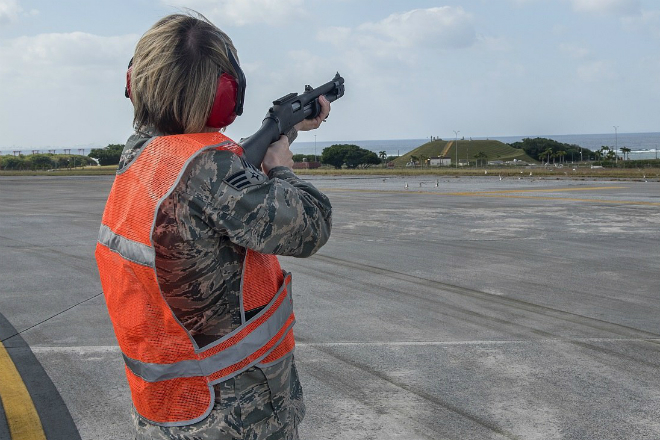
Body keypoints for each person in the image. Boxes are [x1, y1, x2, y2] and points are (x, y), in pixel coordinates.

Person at [94, 12, 332, 440]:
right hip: (235, 415)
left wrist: (283, 132)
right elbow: (311, 224)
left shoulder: (139, 156)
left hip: (166, 407)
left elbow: (207, 182)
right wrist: (281, 169)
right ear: (227, 92)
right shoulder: (213, 170)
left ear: (136, 83)